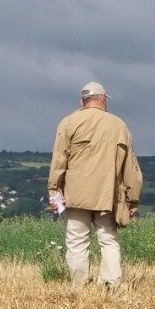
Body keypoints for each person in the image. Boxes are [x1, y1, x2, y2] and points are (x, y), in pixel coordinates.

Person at [47, 82, 143, 288]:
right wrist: (133, 198)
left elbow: (59, 161)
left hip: (75, 194)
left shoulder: (69, 122)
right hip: (107, 195)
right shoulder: (119, 125)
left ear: (82, 101)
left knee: (77, 241)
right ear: (103, 99)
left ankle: (80, 286)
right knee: (108, 240)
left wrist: (54, 191)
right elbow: (130, 166)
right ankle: (110, 284)